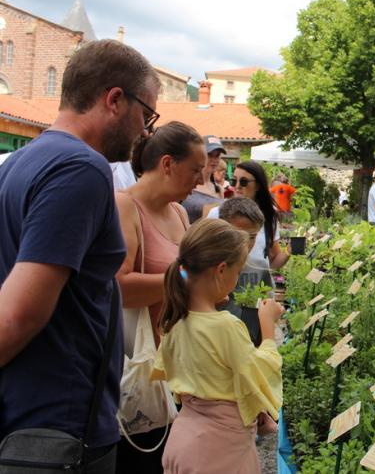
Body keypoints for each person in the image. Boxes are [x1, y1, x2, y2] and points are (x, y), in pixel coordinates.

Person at [0, 39, 159, 471]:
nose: (145, 131)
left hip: (32, 422)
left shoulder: (18, 164)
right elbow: (18, 314)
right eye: (146, 114)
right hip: (55, 432)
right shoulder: (80, 168)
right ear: (114, 100)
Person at [152, 219, 283, 473]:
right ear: (221, 270)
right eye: (238, 272)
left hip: (185, 437)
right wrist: (267, 328)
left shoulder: (173, 320)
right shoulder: (225, 326)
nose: (237, 278)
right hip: (219, 448)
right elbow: (255, 375)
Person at [115, 121, 205, 472]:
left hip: (176, 370)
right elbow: (119, 286)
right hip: (141, 366)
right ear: (168, 164)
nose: (200, 180)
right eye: (195, 170)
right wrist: (186, 279)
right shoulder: (124, 206)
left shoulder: (180, 212)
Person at [209, 161, 289, 271]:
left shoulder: (269, 217)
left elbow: (271, 264)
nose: (237, 186)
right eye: (234, 181)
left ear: (258, 186)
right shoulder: (216, 213)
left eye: (243, 182)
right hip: (224, 285)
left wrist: (289, 251)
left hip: (256, 287)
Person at [218, 198, 268, 303]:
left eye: (252, 237)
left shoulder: (260, 267)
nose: (245, 243)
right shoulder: (206, 267)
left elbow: (267, 300)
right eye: (238, 235)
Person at [181, 135, 225, 223]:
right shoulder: (186, 183)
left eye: (217, 156)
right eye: (210, 155)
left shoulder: (219, 189)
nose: (214, 160)